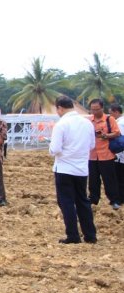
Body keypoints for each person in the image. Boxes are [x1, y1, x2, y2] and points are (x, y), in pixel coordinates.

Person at [49, 95, 97, 244]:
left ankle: (73, 235)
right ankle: (90, 235)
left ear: (60, 108)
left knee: (66, 202)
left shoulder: (61, 124)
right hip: (82, 169)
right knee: (83, 200)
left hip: (64, 168)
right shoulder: (87, 123)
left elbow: (55, 149)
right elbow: (91, 145)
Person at [88, 98, 121, 210]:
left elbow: (117, 133)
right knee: (93, 180)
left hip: (106, 154)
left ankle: (114, 200)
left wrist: (105, 136)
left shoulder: (109, 119)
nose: (94, 112)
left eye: (97, 109)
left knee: (109, 179)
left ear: (102, 108)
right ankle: (93, 199)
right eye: (92, 109)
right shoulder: (88, 120)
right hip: (92, 155)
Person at [110, 104, 124, 208]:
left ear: (116, 112)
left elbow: (120, 141)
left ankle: (119, 199)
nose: (110, 115)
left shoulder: (119, 123)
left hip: (120, 156)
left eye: (111, 113)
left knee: (119, 178)